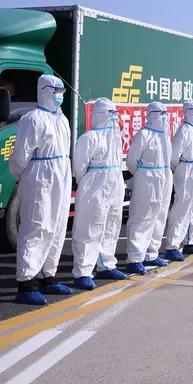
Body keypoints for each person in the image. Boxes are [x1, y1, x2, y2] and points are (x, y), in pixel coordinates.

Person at [7, 75, 73, 306]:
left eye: (62, 91)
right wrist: (23, 175)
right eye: (56, 91)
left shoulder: (61, 119)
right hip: (40, 176)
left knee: (57, 226)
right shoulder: (32, 119)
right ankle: (26, 283)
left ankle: (48, 276)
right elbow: (20, 156)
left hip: (61, 174)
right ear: (44, 90)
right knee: (37, 225)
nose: (60, 95)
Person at [71, 98, 128, 290]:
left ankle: (106, 264)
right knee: (89, 227)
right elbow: (79, 168)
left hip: (114, 182)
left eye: (115, 113)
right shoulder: (89, 138)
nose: (115, 117)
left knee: (112, 224)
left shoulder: (115, 136)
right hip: (95, 185)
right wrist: (89, 184)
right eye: (111, 113)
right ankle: (83, 272)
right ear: (101, 114)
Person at [124, 102, 173, 274]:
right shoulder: (144, 134)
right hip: (147, 178)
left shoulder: (164, 135)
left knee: (159, 215)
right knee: (141, 216)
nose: (164, 116)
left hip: (163, 176)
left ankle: (151, 253)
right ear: (152, 115)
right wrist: (142, 176)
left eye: (165, 113)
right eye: (161, 113)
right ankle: (135, 257)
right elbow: (131, 161)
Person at [162, 100, 193, 261]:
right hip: (187, 170)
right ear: (188, 112)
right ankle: (172, 245)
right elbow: (174, 156)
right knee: (183, 206)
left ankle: (191, 241)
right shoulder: (184, 130)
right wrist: (181, 170)